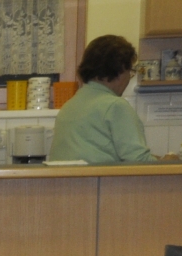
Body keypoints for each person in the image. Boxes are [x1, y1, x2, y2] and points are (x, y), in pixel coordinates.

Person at [49, 34, 168, 164]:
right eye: (130, 72)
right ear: (120, 70)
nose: (129, 78)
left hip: (67, 177)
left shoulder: (70, 105)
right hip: (96, 177)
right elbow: (140, 163)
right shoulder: (115, 106)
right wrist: (169, 162)